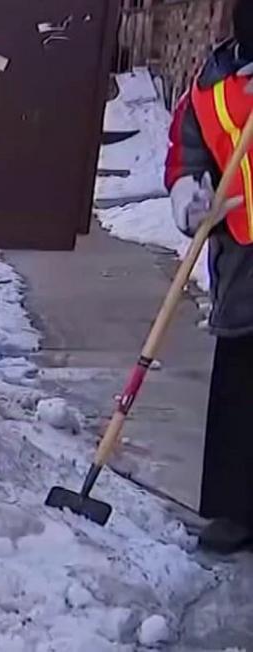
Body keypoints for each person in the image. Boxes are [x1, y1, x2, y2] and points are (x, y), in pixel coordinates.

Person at [166, 0, 253, 554]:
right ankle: (233, 509)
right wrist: (190, 198)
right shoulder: (211, 85)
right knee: (240, 385)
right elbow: (185, 154)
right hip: (243, 261)